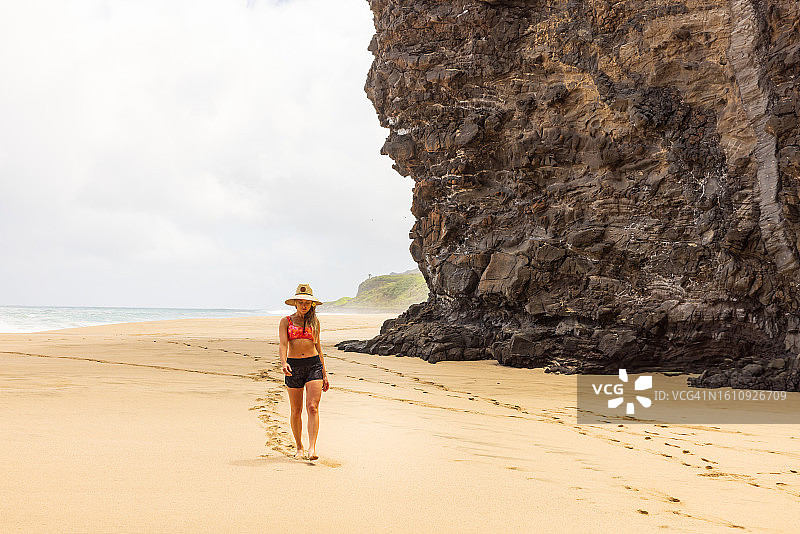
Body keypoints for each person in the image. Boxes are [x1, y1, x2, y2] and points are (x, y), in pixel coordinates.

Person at [279, 283, 329, 460]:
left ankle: (312, 448)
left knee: (313, 407)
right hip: (293, 367)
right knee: (296, 409)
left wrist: (324, 373)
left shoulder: (315, 322)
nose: (304, 305)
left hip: (313, 365)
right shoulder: (286, 321)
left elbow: (319, 347)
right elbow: (283, 344)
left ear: (312, 304)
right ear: (295, 303)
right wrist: (284, 362)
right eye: (300, 302)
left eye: (307, 302)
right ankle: (299, 447)